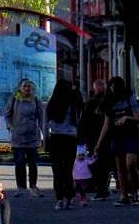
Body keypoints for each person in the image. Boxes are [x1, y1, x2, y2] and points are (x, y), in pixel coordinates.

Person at [95, 76, 139, 205]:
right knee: (120, 168)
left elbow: (137, 116)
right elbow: (106, 125)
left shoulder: (129, 97)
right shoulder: (108, 101)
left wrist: (126, 117)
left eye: (115, 86)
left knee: (130, 164)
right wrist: (99, 143)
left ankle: (135, 191)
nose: (113, 89)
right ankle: (124, 195)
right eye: (111, 87)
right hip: (117, 136)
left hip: (132, 134)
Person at [46, 77, 84, 210]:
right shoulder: (72, 102)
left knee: (57, 170)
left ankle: (60, 199)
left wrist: (46, 139)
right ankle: (69, 197)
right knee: (67, 169)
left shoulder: (52, 103)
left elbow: (46, 123)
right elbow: (79, 119)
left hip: (56, 138)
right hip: (69, 138)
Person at [6, 79, 47, 195]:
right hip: (18, 137)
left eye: (29, 87)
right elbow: (7, 114)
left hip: (32, 137)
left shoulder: (36, 100)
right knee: (19, 163)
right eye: (25, 86)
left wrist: (43, 134)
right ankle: (21, 188)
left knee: (33, 163)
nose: (27, 89)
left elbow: (41, 118)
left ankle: (33, 186)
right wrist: (10, 125)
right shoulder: (14, 99)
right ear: (20, 88)